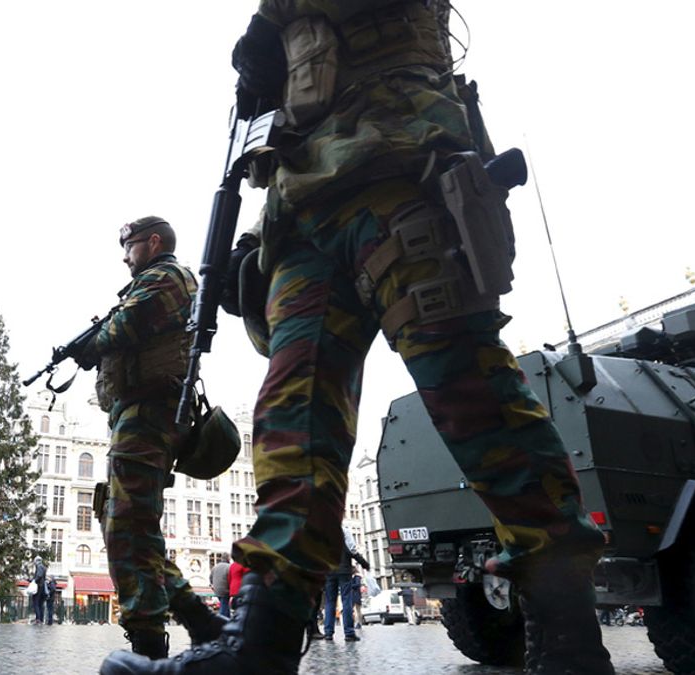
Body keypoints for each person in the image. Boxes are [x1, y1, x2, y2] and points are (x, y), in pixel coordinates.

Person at [101, 3, 612, 674]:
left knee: (469, 390)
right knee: (291, 422)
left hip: (400, 162)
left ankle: (567, 633)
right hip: (304, 205)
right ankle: (261, 638)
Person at [77, 216, 226, 660]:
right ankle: (201, 622)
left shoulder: (166, 277)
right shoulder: (154, 281)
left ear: (153, 242)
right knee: (130, 525)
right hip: (137, 415)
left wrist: (91, 343)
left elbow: (126, 327)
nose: (125, 256)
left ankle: (147, 645)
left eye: (130, 246)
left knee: (129, 527)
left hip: (149, 415)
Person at [323, 527, 370, 642]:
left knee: (329, 602)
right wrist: (364, 563)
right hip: (343, 570)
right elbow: (352, 550)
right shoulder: (344, 531)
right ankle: (349, 633)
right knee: (346, 600)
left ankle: (328, 633)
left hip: (329, 571)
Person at [31, 555, 47, 624]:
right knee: (40, 604)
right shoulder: (43, 567)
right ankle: (40, 619)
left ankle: (38, 619)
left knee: (36, 603)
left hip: (39, 586)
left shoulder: (40, 566)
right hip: (41, 586)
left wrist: (34, 581)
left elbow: (39, 576)